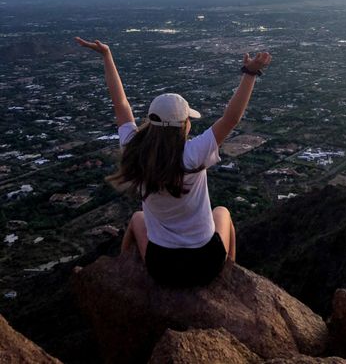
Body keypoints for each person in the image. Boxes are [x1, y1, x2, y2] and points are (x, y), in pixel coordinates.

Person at [74, 36, 271, 287]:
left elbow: (120, 104)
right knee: (222, 212)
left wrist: (107, 56)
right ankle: (227, 276)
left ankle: (124, 275)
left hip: (162, 267)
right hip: (206, 263)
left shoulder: (133, 150)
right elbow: (231, 118)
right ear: (183, 125)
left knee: (136, 219)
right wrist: (250, 73)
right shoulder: (193, 154)